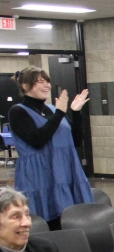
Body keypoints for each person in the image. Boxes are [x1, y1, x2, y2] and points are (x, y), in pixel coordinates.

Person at [8, 67, 92, 231]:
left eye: (47, 81)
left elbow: (75, 141)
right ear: (25, 86)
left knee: (68, 222)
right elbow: (37, 140)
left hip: (64, 173)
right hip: (39, 175)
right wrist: (60, 112)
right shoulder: (18, 111)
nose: (46, 85)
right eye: (40, 81)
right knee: (47, 224)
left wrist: (75, 113)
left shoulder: (53, 110)